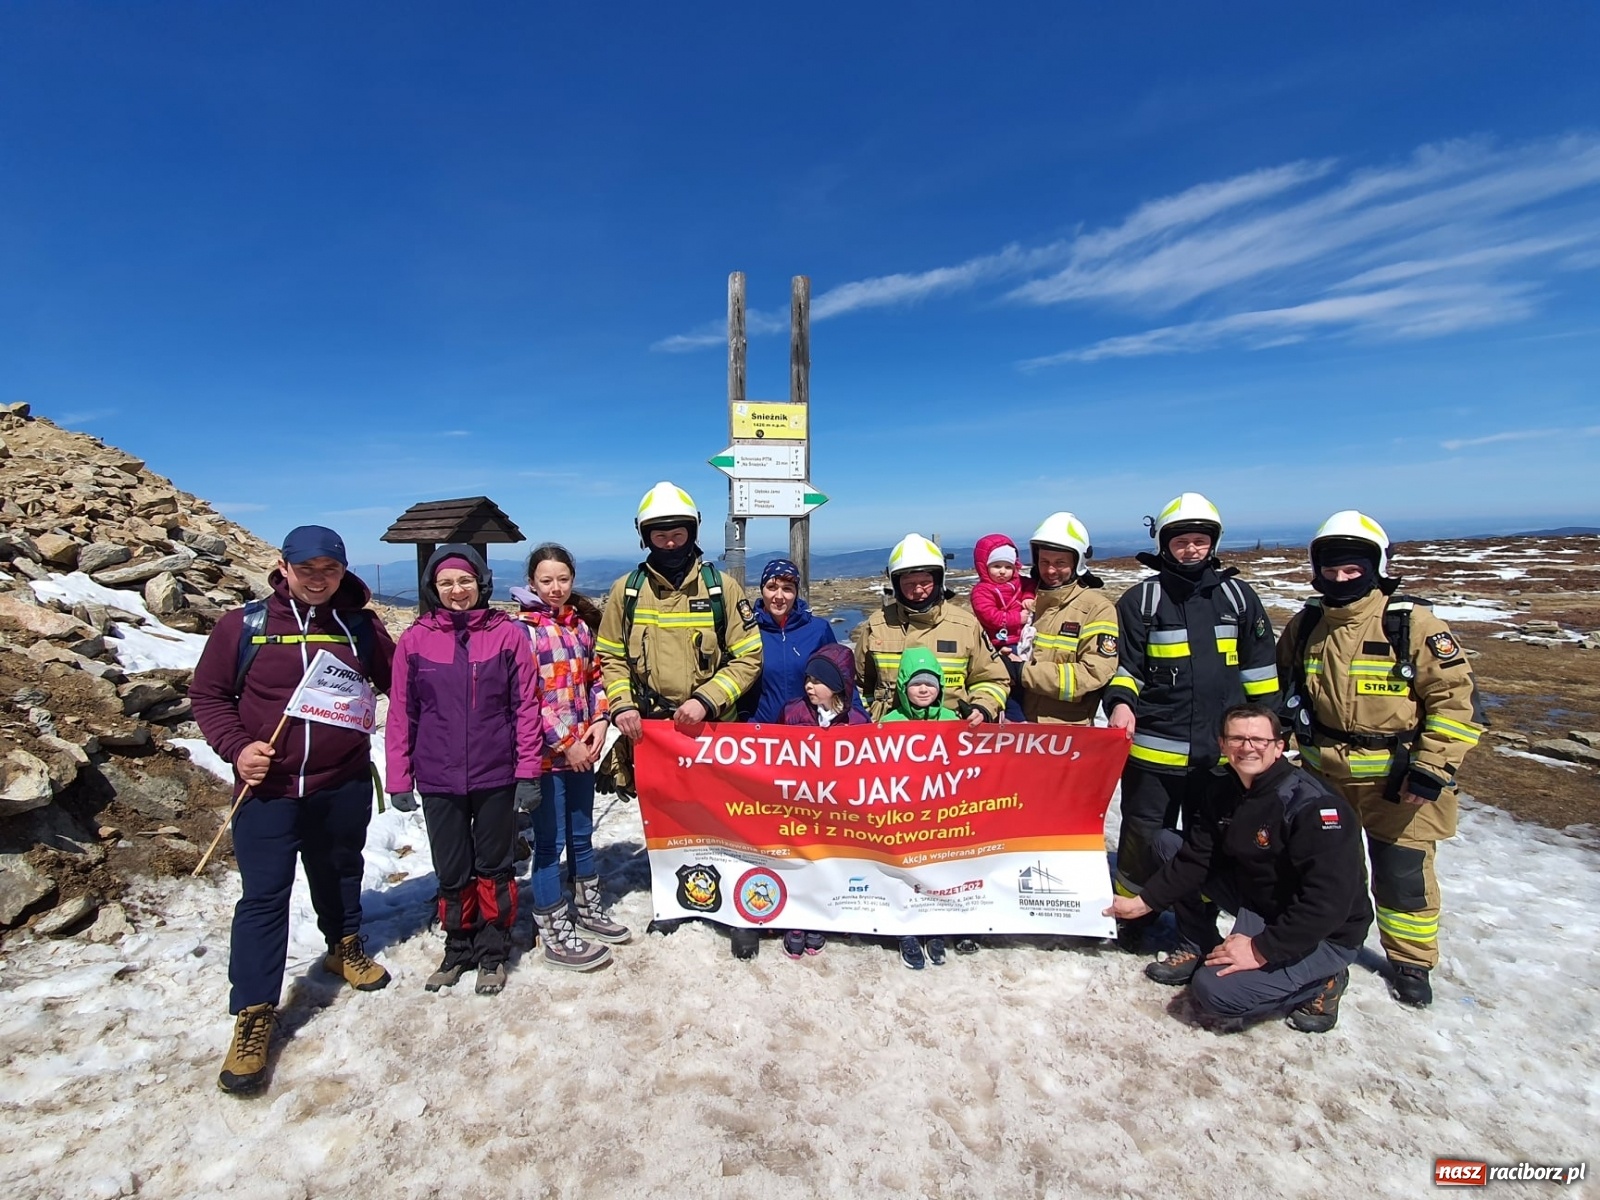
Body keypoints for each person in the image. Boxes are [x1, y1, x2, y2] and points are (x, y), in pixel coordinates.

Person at [191, 525, 395, 1096]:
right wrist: (238, 748)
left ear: (343, 571)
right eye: (306, 569)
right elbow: (208, 696)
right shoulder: (243, 626)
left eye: (328, 570)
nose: (316, 579)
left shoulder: (357, 626)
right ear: (283, 566)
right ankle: (254, 1012)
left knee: (340, 869)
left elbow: (400, 681)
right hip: (267, 789)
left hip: (341, 781)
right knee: (263, 896)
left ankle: (343, 945)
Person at [1276, 511, 1482, 1009]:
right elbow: (1281, 690)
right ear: (1316, 569)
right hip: (1322, 775)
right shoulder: (1306, 625)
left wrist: (1432, 767)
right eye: (1332, 569)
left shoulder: (1412, 624)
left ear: (1376, 566)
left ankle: (1411, 961)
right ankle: (1330, 948)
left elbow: (1455, 701)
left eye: (1353, 569)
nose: (1342, 578)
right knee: (1330, 873)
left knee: (1403, 874)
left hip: (1399, 782)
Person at [1105, 704, 1373, 1033]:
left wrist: (1260, 949)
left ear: (1279, 746)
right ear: (1222, 745)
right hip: (1261, 899)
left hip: (1324, 932)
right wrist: (1142, 903)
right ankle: (1200, 943)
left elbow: (1328, 904)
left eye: (1258, 740)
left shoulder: (1314, 806)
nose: (1247, 747)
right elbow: (1196, 858)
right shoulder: (1223, 789)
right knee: (1169, 844)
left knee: (1214, 992)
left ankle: (1324, 979)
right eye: (1237, 739)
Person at [1100, 493, 1279, 950]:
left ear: (1213, 544)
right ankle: (1132, 917)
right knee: (1141, 837)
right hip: (1153, 752)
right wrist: (1120, 704)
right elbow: (1126, 668)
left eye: (1200, 541)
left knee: (1205, 844)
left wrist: (1269, 734)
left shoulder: (1239, 598)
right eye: (1181, 542)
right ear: (1164, 545)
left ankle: (1193, 928)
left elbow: (1260, 671)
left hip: (1221, 756)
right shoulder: (1142, 600)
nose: (1191, 550)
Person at [595, 481, 763, 957]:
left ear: (693, 533)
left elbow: (749, 657)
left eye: (678, 533)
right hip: (654, 735)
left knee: (725, 818)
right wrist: (623, 704)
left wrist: (708, 700)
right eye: (659, 534)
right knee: (668, 820)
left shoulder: (720, 588)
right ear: (644, 536)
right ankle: (677, 899)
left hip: (712, 731)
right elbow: (609, 657)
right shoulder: (626, 592)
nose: (669, 543)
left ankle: (737, 908)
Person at [386, 544, 543, 996]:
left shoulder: (506, 634)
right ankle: (458, 946)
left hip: (496, 773)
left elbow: (525, 707)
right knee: (452, 869)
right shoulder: (416, 639)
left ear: (481, 582)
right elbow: (402, 712)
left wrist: (528, 771)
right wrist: (399, 776)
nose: (457, 590)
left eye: (465, 581)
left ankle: (493, 950)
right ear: (433, 589)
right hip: (438, 775)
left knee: (494, 866)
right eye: (447, 583)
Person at [512, 543, 618, 972]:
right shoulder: (523, 632)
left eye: (563, 579)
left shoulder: (579, 628)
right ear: (532, 583)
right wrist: (566, 743)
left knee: (581, 831)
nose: (555, 588)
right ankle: (554, 928)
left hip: (583, 750)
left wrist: (599, 721)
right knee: (549, 842)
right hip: (546, 758)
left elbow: (595, 678)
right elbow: (526, 700)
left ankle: (587, 909)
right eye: (546, 580)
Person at [854, 533, 1011, 726]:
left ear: (939, 580)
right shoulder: (878, 625)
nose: (918, 590)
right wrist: (867, 718)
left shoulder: (965, 626)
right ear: (896, 584)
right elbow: (859, 686)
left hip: (951, 735)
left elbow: (993, 679)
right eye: (909, 583)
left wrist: (982, 707)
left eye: (925, 582)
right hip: (890, 740)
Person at [776, 644, 870, 960]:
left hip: (840, 811)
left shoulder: (858, 720)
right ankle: (797, 919)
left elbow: (871, 766)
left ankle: (828, 913)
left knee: (834, 863)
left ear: (838, 685)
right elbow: (772, 752)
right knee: (801, 861)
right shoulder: (793, 712)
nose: (809, 686)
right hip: (800, 808)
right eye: (807, 680)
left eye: (817, 681)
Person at [1014, 513, 1120, 725]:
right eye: (1044, 562)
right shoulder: (1024, 601)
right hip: (1019, 729)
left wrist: (1022, 672)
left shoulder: (1096, 609)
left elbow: (1092, 674)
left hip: (1069, 735)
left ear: (1077, 563)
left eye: (1060, 562)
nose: (1050, 570)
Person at [742, 557, 842, 724]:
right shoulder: (746, 630)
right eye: (772, 587)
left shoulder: (818, 630)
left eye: (787, 589)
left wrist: (859, 721)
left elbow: (841, 678)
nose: (779, 596)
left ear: (796, 593)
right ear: (762, 590)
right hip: (759, 733)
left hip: (807, 732)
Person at [969, 535, 1037, 720]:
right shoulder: (981, 591)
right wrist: (1017, 618)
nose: (1002, 572)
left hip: (1025, 641)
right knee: (1009, 682)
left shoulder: (1020, 583)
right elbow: (989, 616)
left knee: (1030, 682)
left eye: (1008, 567)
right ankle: (1015, 718)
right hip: (999, 643)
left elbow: (1032, 584)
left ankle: (1028, 715)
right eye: (996, 566)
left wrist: (1028, 597)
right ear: (985, 566)